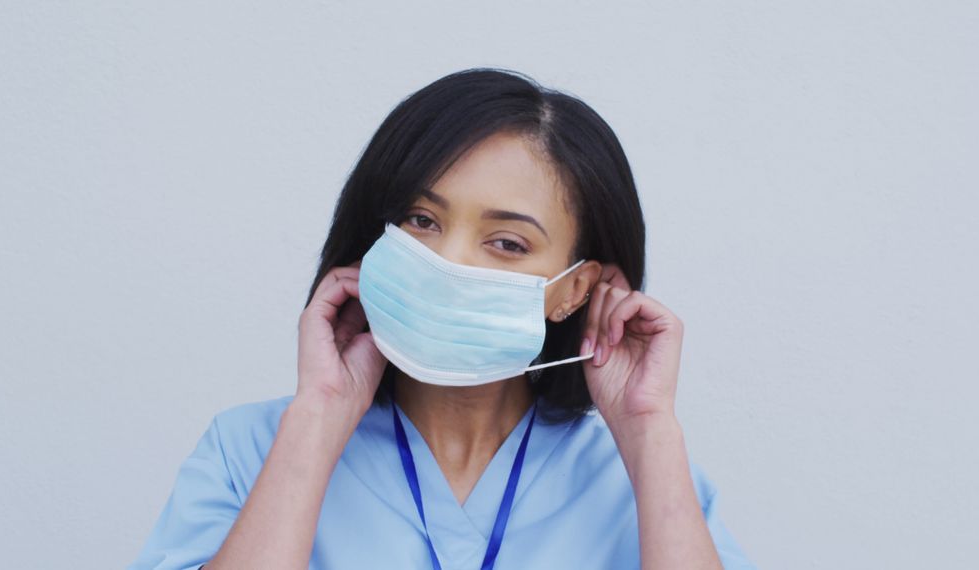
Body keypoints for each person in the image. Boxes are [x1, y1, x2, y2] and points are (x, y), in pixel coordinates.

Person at [128, 67, 758, 570]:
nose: (446, 261)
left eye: (507, 243)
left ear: (575, 290)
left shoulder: (645, 478)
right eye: (421, 221)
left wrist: (650, 430)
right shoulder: (249, 449)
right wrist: (318, 416)